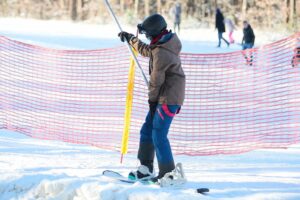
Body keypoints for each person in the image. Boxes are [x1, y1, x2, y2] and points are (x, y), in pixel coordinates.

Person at [118, 14, 186, 185]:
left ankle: (168, 173)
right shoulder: (162, 44)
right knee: (147, 130)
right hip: (163, 95)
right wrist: (131, 39)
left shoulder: (163, 52)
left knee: (158, 134)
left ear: (155, 33)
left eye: (148, 35)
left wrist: (152, 101)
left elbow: (156, 81)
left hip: (168, 97)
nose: (147, 38)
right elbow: (147, 50)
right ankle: (146, 168)